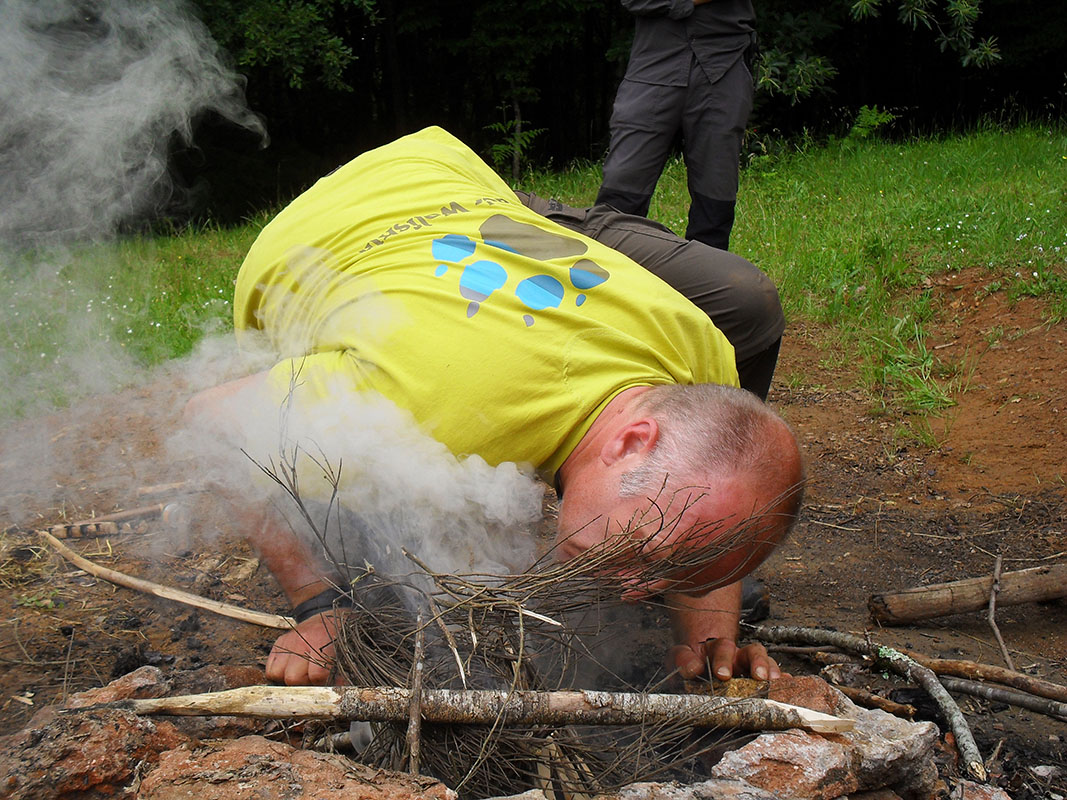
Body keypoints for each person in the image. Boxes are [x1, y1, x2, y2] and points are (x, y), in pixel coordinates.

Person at [185, 126, 802, 689]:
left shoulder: (703, 362)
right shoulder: (419, 414)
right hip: (319, 235)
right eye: (650, 552)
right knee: (369, 526)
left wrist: (707, 634)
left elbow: (716, 490)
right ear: (632, 441)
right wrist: (319, 605)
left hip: (459, 189)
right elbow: (212, 421)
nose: (638, 593)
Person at [597, 0, 757, 251]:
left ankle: (703, 282)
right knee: (622, 184)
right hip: (653, 63)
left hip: (725, 62)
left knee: (716, 193)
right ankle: (604, 281)